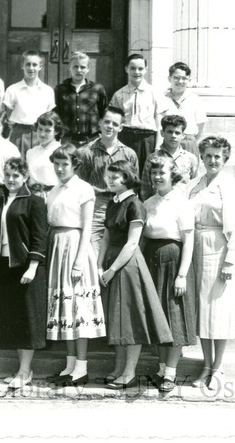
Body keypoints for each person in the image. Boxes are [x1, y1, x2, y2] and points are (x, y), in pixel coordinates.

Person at [98, 160, 172, 390]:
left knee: (130, 320)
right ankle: (119, 368)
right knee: (116, 318)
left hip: (127, 264)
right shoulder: (112, 203)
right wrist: (100, 265)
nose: (110, 180)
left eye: (116, 177)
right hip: (110, 261)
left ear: (128, 178)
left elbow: (132, 243)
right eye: (109, 176)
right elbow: (107, 238)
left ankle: (129, 373)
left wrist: (111, 270)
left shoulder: (135, 204)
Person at [45, 144, 105, 387]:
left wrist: (79, 261)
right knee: (65, 309)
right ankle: (70, 366)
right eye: (56, 164)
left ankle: (82, 367)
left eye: (64, 164)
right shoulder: (54, 190)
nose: (60, 169)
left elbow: (87, 227)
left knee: (78, 308)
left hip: (76, 248)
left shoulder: (84, 189)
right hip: (57, 246)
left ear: (74, 165)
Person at [188, 136, 235, 391]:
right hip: (196, 250)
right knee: (203, 312)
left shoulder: (229, 186)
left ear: (225, 160)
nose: (212, 160)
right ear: (201, 157)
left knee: (218, 312)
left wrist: (229, 262)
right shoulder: (196, 184)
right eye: (208, 155)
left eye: (217, 156)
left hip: (218, 250)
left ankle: (219, 367)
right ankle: (206, 365)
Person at [141, 155, 196, 393]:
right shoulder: (148, 202)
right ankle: (161, 368)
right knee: (158, 315)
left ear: (172, 175)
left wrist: (182, 274)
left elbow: (189, 240)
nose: (157, 177)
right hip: (152, 260)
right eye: (154, 172)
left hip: (173, 260)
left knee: (173, 315)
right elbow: (143, 237)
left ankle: (171, 372)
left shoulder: (181, 201)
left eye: (161, 172)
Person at [0, 158, 48, 389]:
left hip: (26, 266)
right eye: (8, 175)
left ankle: (26, 371)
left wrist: (33, 265)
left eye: (16, 175)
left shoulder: (34, 201)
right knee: (12, 318)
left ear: (25, 176)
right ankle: (21, 368)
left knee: (27, 318)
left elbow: (39, 236)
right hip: (5, 265)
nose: (11, 180)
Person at [77, 106, 138, 257]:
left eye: (115, 124)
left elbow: (133, 187)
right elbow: (80, 185)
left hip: (121, 208)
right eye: (107, 122)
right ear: (100, 123)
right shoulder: (87, 152)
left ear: (121, 127)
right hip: (97, 207)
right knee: (94, 252)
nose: (110, 126)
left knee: (117, 251)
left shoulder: (129, 154)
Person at [109, 54, 162, 177]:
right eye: (132, 68)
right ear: (126, 69)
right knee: (125, 175)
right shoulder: (119, 94)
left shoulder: (155, 93)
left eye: (140, 68)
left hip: (147, 140)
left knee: (147, 176)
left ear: (146, 69)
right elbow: (114, 121)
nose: (136, 72)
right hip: (126, 138)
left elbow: (159, 122)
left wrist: (158, 147)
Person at [2, 50, 56, 158]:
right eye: (28, 64)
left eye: (34, 64)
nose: (31, 68)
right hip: (19, 135)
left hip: (41, 134)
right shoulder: (13, 90)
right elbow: (8, 115)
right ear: (22, 65)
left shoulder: (48, 91)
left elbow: (49, 116)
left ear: (40, 66)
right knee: (18, 166)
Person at [139, 114, 199, 201]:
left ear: (183, 135)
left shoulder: (191, 158)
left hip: (182, 206)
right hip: (158, 206)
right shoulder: (153, 158)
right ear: (162, 133)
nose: (173, 136)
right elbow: (145, 188)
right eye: (170, 132)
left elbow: (195, 186)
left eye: (177, 133)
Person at [54, 51, 107, 147]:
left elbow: (104, 112)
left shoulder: (97, 89)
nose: (79, 70)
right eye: (75, 66)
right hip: (68, 140)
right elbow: (56, 114)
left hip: (92, 140)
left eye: (82, 67)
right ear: (69, 67)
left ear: (88, 69)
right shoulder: (60, 89)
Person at [159, 62, 207, 159]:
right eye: (176, 78)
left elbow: (200, 126)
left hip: (189, 143)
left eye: (184, 78)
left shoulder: (195, 99)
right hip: (168, 144)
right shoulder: (162, 98)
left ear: (189, 80)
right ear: (169, 78)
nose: (180, 81)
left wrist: (189, 141)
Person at [25, 111, 62, 199]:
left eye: (47, 131)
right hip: (32, 198)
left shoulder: (60, 152)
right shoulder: (31, 152)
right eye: (40, 129)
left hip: (53, 197)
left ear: (56, 131)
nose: (42, 134)